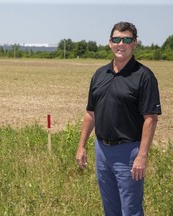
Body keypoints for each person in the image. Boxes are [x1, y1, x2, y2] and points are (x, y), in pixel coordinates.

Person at [76, 22, 161, 216]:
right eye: (116, 39)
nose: (121, 44)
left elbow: (150, 119)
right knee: (110, 209)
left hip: (129, 152)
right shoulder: (99, 74)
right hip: (102, 151)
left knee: (130, 210)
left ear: (135, 43)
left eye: (126, 39)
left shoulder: (144, 77)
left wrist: (142, 155)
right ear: (109, 43)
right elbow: (91, 113)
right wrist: (81, 146)